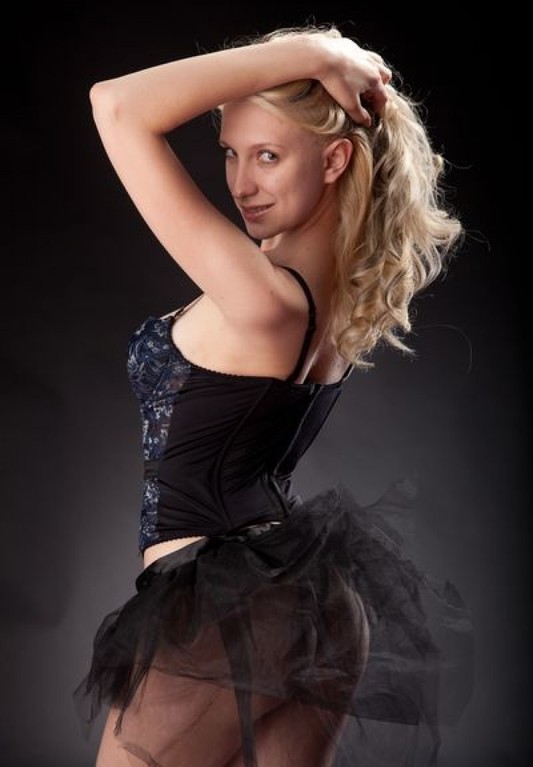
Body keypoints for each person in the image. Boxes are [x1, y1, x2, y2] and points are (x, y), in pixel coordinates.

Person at [74, 23, 474, 767]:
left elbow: (117, 105)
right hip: (317, 603)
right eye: (231, 153)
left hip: (225, 614)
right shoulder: (339, 298)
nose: (241, 184)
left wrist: (316, 54)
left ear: (334, 159)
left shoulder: (263, 300)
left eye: (267, 156)